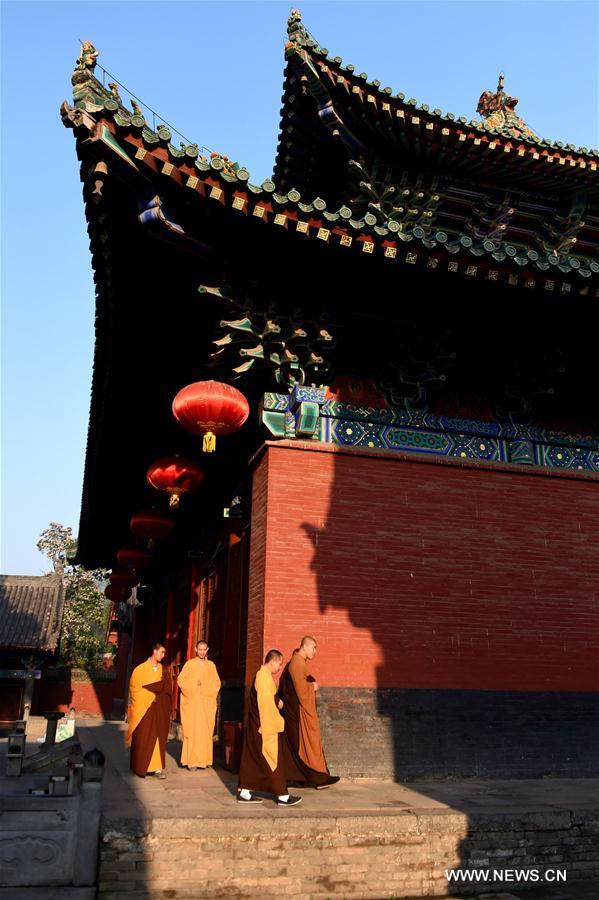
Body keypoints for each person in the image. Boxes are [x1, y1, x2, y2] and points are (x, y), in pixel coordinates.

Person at [237, 649, 302, 806]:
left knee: (254, 759)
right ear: (272, 661)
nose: (279, 668)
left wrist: (276, 700)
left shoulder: (264, 676)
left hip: (256, 725)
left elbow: (267, 699)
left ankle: (245, 792)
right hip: (264, 726)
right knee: (273, 760)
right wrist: (275, 723)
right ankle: (282, 796)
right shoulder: (264, 678)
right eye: (279, 664)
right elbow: (265, 706)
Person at [278, 636, 339, 789]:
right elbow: (301, 692)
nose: (315, 652)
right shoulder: (297, 663)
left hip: (294, 712)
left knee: (295, 747)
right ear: (305, 647)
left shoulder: (298, 662)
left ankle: (299, 778)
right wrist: (313, 687)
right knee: (306, 744)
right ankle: (318, 776)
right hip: (298, 713)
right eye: (314, 648)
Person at [126, 641, 172, 778]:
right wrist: (150, 695)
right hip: (144, 709)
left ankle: (157, 769)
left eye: (164, 653)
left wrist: (158, 694)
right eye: (162, 652)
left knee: (158, 738)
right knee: (143, 737)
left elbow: (168, 689)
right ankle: (140, 766)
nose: (163, 655)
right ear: (155, 651)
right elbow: (134, 689)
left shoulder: (164, 671)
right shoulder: (139, 669)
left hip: (158, 709)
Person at [177, 640, 221, 770]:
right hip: (193, 704)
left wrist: (205, 686)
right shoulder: (189, 664)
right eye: (200, 649)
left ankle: (204, 760)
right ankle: (192, 761)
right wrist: (194, 684)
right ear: (196, 649)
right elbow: (181, 680)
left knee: (205, 732)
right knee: (192, 731)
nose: (202, 652)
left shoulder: (211, 666)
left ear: (207, 650)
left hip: (206, 704)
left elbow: (216, 683)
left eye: (204, 649)